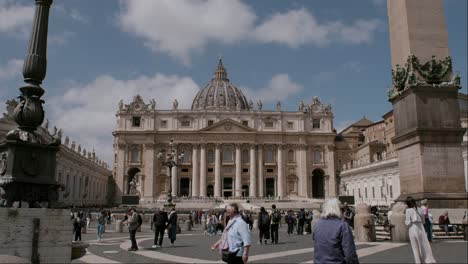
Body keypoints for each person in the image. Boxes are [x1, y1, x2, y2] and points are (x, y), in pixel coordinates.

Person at [313, 198, 358, 264]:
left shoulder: (317, 225)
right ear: (338, 209)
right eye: (341, 209)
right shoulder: (343, 226)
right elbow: (350, 254)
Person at [405, 197, 436, 263]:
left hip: (412, 228)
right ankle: (427, 258)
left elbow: (407, 222)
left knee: (415, 246)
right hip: (420, 227)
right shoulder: (420, 209)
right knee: (423, 244)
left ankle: (418, 261)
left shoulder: (408, 210)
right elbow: (423, 221)